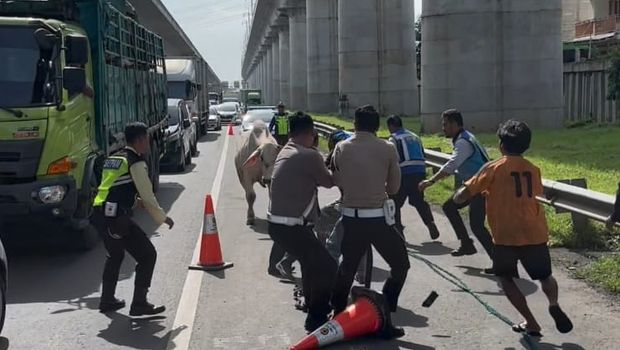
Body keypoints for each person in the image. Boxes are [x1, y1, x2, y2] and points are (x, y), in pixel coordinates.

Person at [453, 120, 573, 337]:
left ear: (501, 145)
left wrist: (460, 194)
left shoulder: (492, 168)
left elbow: (463, 194)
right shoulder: (532, 169)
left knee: (505, 278)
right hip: (534, 232)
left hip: (506, 235)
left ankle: (531, 322)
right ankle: (553, 303)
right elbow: (538, 191)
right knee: (545, 275)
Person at [330, 105, 409, 336]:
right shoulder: (387, 148)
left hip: (351, 218)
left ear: (355, 124)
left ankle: (337, 314)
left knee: (347, 267)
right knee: (400, 265)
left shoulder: (341, 148)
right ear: (377, 126)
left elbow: (337, 179)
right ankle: (384, 307)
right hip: (378, 219)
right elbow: (394, 187)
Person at [92, 122, 174, 315]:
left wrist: (133, 201)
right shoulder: (135, 161)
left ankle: (107, 300)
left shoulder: (115, 158)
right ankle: (139, 303)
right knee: (148, 255)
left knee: (115, 255)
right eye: (146, 138)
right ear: (139, 140)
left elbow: (112, 187)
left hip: (100, 213)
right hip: (117, 218)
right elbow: (148, 194)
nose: (147, 143)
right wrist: (162, 218)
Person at [267, 112, 337, 332]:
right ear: (311, 133)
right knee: (328, 266)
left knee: (310, 262)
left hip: (278, 226)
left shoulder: (285, 150)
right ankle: (317, 318)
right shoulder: (309, 155)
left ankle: (310, 302)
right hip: (292, 227)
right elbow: (328, 182)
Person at [419, 109, 494, 270]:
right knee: (449, 206)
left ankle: (499, 262)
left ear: (454, 124)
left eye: (445, 124)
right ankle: (466, 243)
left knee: (477, 226)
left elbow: (452, 165)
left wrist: (431, 180)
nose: (443, 128)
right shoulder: (465, 137)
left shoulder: (463, 142)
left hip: (481, 188)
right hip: (473, 186)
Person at [386, 115, 439, 240]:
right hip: (420, 171)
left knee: (395, 202)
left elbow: (393, 160)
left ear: (391, 126)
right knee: (418, 200)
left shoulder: (393, 138)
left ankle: (398, 231)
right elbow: (423, 154)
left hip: (404, 172)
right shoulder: (415, 136)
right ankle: (430, 223)